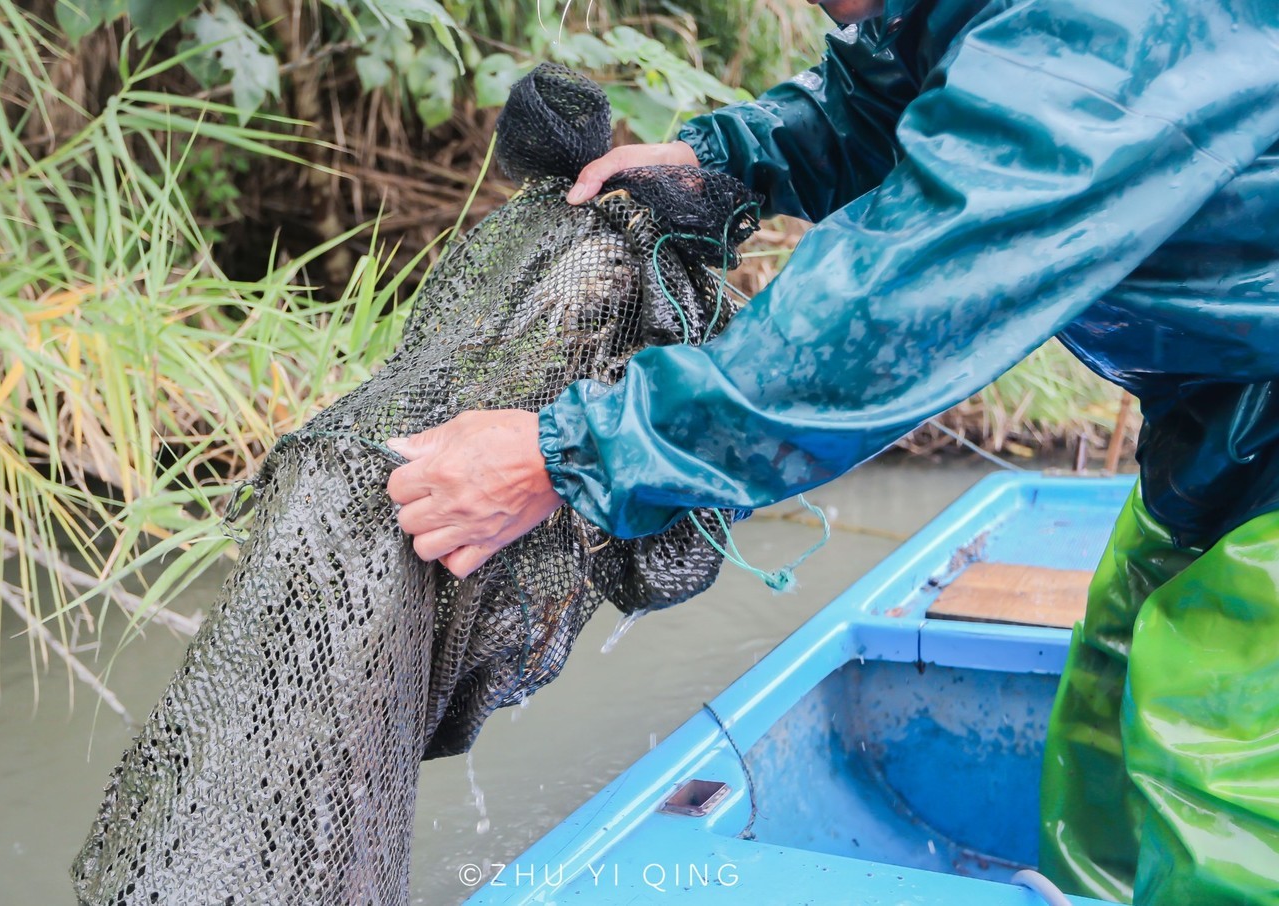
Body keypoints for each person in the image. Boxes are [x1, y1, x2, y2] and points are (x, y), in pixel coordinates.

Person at [386, 1, 1279, 902]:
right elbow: (890, 98)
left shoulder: (1099, 27)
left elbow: (891, 316)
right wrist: (729, 157)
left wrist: (563, 454)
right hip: (1224, 416)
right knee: (1115, 686)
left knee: (1228, 769)